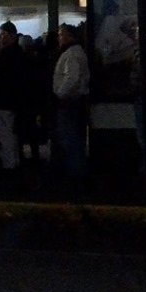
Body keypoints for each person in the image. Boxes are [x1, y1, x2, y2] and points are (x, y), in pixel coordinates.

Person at [50, 22, 91, 186]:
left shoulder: (71, 54)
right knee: (73, 138)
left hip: (69, 103)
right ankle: (75, 172)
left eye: (61, 34)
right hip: (74, 102)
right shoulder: (76, 52)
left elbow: (72, 78)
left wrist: (59, 93)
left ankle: (74, 175)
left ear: (69, 36)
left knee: (70, 138)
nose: (59, 38)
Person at [0, 21, 32, 175]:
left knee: (7, 137)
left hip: (5, 102)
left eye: (4, 35)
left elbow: (1, 80)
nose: (1, 38)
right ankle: (14, 164)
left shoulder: (6, 55)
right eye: (0, 35)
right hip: (14, 103)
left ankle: (9, 168)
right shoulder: (19, 54)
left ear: (13, 36)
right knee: (12, 137)